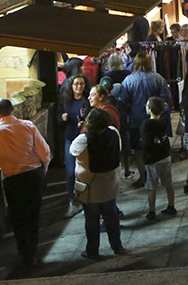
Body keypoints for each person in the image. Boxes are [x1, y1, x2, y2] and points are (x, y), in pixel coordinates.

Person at [0, 98, 51, 268]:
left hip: (13, 179)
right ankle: (32, 253)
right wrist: (42, 172)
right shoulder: (28, 126)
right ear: (12, 110)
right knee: (33, 216)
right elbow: (45, 152)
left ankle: (24, 255)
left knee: (17, 217)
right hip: (33, 176)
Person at [71, 108, 126, 259]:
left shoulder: (83, 140)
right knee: (112, 218)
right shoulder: (114, 133)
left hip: (91, 188)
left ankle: (92, 250)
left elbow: (73, 151)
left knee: (92, 220)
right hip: (109, 184)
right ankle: (117, 246)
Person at [119, 51, 171, 186]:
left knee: (138, 150)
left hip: (136, 121)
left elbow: (123, 102)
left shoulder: (128, 81)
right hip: (155, 120)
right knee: (155, 148)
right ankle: (157, 177)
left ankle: (143, 177)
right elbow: (166, 98)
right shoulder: (158, 78)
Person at [59, 74, 91, 217]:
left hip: (84, 140)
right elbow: (57, 117)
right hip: (70, 138)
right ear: (71, 85)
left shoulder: (86, 102)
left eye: (81, 84)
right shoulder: (65, 101)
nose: (79, 86)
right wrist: (62, 117)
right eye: (76, 84)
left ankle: (86, 199)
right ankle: (73, 200)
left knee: (84, 172)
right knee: (71, 172)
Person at [141, 96, 175, 222]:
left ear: (149, 109)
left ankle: (151, 211)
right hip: (165, 155)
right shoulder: (164, 120)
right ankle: (171, 206)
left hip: (152, 159)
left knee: (152, 185)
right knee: (168, 182)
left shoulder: (146, 124)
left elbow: (145, 143)